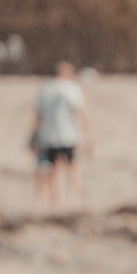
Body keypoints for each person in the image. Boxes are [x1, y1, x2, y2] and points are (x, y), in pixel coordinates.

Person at [30, 61, 88, 207]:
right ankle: (75, 198)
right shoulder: (71, 88)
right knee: (72, 167)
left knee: (53, 168)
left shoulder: (45, 89)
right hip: (68, 135)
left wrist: (34, 135)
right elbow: (80, 112)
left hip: (49, 135)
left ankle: (55, 200)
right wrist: (88, 135)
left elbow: (39, 115)